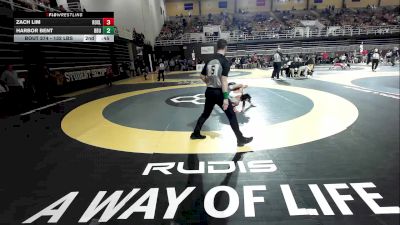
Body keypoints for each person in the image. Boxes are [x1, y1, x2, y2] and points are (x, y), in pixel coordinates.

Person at [190, 39, 253, 147]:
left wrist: (209, 82)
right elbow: (224, 81)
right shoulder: (224, 61)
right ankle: (240, 139)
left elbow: (201, 76)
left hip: (209, 91)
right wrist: (225, 98)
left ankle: (195, 133)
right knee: (231, 115)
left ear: (217, 47)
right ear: (225, 48)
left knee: (205, 114)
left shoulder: (209, 59)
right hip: (219, 93)